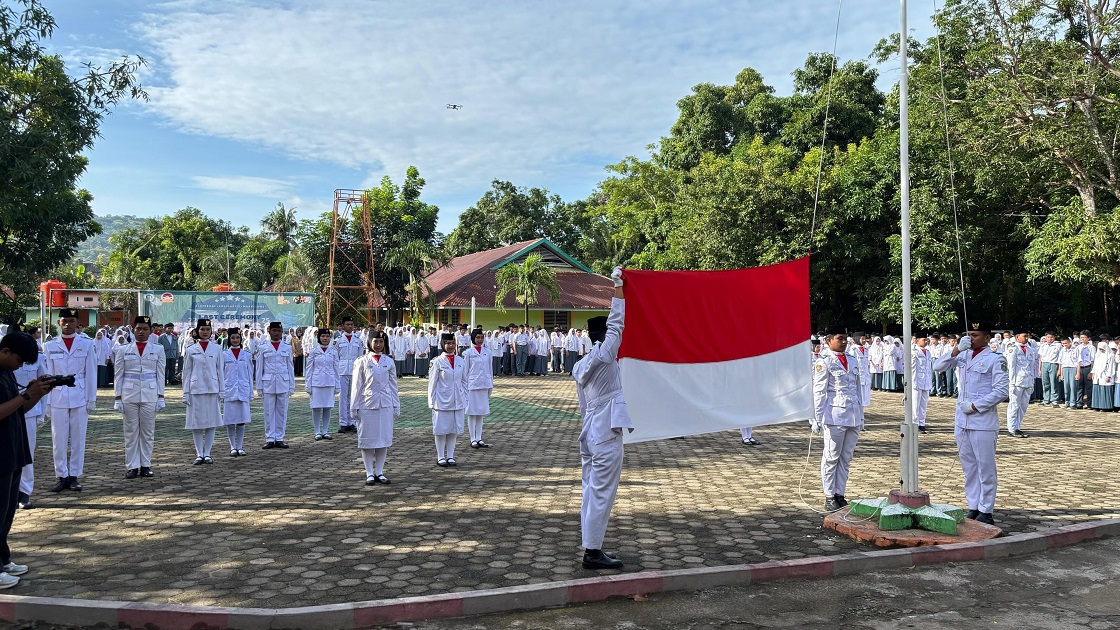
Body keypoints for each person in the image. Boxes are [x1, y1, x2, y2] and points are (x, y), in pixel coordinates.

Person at [573, 266, 630, 570]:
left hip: (589, 431)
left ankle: (590, 544)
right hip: (605, 430)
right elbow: (617, 324)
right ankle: (593, 552)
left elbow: (583, 405)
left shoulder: (580, 365)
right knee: (601, 492)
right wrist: (618, 287)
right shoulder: (605, 356)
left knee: (590, 489)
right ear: (602, 336)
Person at [933, 321, 1009, 525]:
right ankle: (973, 506)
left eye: (975, 335)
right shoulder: (963, 355)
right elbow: (937, 367)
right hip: (962, 421)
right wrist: (957, 348)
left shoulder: (995, 359)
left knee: (985, 467)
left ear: (986, 338)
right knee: (969, 468)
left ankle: (986, 509)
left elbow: (1001, 391)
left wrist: (976, 406)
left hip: (982, 420)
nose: (971, 338)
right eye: (969, 334)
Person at [0, 331, 56, 588]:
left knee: (7, 512)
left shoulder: (7, 372)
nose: (21, 366)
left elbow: (19, 409)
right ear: (6, 351)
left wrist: (37, 394)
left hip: (12, 450)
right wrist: (24, 395)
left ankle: (3, 559)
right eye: (19, 360)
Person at [42, 309, 97, 492]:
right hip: (57, 395)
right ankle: (61, 475)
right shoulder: (49, 346)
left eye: (71, 321)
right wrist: (46, 403)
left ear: (77, 323)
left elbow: (91, 374)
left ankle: (74, 475)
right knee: (58, 439)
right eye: (64, 320)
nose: (67, 324)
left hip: (80, 395)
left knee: (78, 439)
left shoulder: (87, 344)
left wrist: (91, 399)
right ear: (59, 323)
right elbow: (47, 375)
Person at [812, 326, 864, 513]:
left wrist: (861, 415)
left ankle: (840, 494)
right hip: (835, 416)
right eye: (840, 338)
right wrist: (816, 418)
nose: (844, 342)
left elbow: (858, 389)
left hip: (853, 415)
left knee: (846, 458)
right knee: (831, 457)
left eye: (845, 338)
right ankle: (829, 495)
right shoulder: (824, 361)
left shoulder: (852, 359)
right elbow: (819, 391)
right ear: (828, 341)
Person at [113, 316, 165, 479]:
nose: (141, 332)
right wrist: (117, 397)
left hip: (150, 394)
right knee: (130, 432)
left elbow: (161, 374)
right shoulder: (123, 349)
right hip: (129, 394)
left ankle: (146, 464)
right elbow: (118, 375)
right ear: (133, 330)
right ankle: (132, 466)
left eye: (145, 329)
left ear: (150, 331)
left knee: (148, 431)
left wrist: (161, 396)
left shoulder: (158, 349)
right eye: (138, 329)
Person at [351, 332, 398, 485]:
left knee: (383, 439)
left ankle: (380, 471)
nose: (378, 345)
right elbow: (356, 386)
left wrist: (396, 404)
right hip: (367, 404)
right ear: (369, 342)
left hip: (385, 404)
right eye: (375, 341)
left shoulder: (389, 362)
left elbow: (393, 385)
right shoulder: (362, 361)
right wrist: (354, 406)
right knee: (368, 439)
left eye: (381, 341)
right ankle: (369, 473)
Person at [182, 319, 223, 465]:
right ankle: (199, 453)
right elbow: (186, 373)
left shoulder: (217, 349)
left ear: (211, 331)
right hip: (196, 389)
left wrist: (222, 390)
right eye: (202, 329)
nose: (205, 332)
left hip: (212, 388)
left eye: (207, 329)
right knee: (196, 422)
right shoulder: (191, 350)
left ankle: (208, 453)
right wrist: (185, 392)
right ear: (197, 331)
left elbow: (220, 371)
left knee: (211, 422)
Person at [12, 326, 45, 510]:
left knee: (27, 452)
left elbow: (43, 385)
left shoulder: (38, 357)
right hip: (8, 409)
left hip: (29, 411)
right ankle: (11, 489)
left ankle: (24, 491)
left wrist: (42, 411)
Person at [428, 332, 468, 467]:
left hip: (458, 400)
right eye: (448, 343)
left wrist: (465, 397)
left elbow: (464, 381)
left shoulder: (461, 361)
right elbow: (432, 384)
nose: (451, 346)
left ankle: (450, 456)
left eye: (453, 343)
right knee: (440, 429)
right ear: (443, 344)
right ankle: (440, 456)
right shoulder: (437, 362)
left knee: (453, 429)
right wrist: (431, 401)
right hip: (441, 400)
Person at [257, 321, 295, 449]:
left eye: (279, 331)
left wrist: (291, 385)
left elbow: (290, 367)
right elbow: (259, 368)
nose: (277, 333)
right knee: (268, 412)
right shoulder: (263, 347)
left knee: (282, 411)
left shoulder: (287, 347)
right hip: (268, 382)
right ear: (269, 331)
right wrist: (259, 386)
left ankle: (279, 438)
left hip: (283, 382)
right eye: (274, 331)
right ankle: (269, 437)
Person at [221, 328, 253, 456]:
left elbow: (250, 375)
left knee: (241, 419)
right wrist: (221, 391)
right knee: (229, 420)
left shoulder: (246, 355)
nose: (235, 340)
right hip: (229, 390)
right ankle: (232, 446)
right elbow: (221, 374)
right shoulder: (223, 355)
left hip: (243, 389)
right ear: (229, 339)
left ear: (241, 339)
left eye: (237, 338)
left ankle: (240, 446)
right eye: (233, 338)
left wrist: (251, 391)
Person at [305, 327, 340, 441]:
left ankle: (325, 431)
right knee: (316, 407)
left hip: (330, 382)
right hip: (316, 382)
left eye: (327, 336)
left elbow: (336, 369)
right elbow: (309, 369)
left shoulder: (333, 352)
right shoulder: (313, 352)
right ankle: (317, 431)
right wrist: (308, 384)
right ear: (318, 337)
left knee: (327, 407)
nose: (325, 338)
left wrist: (337, 384)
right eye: (322, 336)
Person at [464, 328, 494, 449]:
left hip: (484, 384)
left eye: (482, 337)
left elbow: (490, 370)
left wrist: (491, 384)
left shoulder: (488, 352)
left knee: (481, 413)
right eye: (477, 337)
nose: (480, 340)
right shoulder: (468, 353)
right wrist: (464, 387)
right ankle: (472, 438)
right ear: (473, 338)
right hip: (472, 385)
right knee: (472, 413)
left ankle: (479, 437)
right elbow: (465, 371)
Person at [334, 317, 364, 433]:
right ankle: (343, 422)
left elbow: (361, 358)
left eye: (351, 324)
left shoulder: (358, 340)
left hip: (355, 371)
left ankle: (352, 422)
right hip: (342, 371)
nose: (350, 326)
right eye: (347, 324)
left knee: (354, 397)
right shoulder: (338, 340)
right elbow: (335, 358)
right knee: (343, 397)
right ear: (342, 326)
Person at [1005, 328, 1037, 436]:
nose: (1026, 338)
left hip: (1027, 380)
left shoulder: (1029, 349)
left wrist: (1032, 381)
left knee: (1023, 406)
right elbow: (1011, 367)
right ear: (1017, 336)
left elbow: (1032, 366)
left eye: (1027, 336)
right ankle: (1012, 428)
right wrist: (1011, 382)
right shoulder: (1013, 348)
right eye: (1024, 336)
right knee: (1014, 405)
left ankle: (1018, 427)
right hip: (1017, 381)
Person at [912, 333, 933, 434]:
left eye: (926, 340)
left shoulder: (928, 352)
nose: (926, 342)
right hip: (917, 381)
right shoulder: (913, 351)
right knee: (915, 404)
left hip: (926, 381)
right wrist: (913, 382)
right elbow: (912, 368)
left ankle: (922, 424)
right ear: (917, 340)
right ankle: (914, 424)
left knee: (923, 404)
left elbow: (929, 368)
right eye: (923, 340)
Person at [1038, 332, 1061, 407]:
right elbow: (1040, 358)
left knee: (1053, 382)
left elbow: (1061, 357)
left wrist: (1059, 369)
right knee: (1045, 383)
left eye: (1051, 337)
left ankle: (1054, 400)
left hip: (1054, 364)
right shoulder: (1043, 345)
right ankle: (1046, 399)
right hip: (1044, 364)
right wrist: (1039, 368)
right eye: (1048, 337)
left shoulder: (1058, 345)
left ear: (1054, 338)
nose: (1050, 339)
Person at [1058, 337, 1081, 409]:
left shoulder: (1075, 349)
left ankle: (1073, 403)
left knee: (1073, 386)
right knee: (1066, 386)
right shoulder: (1062, 351)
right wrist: (1061, 374)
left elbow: (1078, 362)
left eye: (1066, 343)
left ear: (1070, 342)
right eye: (1063, 343)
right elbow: (1060, 363)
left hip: (1073, 368)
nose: (1065, 345)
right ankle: (1067, 402)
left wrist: (1078, 373)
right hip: (1065, 368)